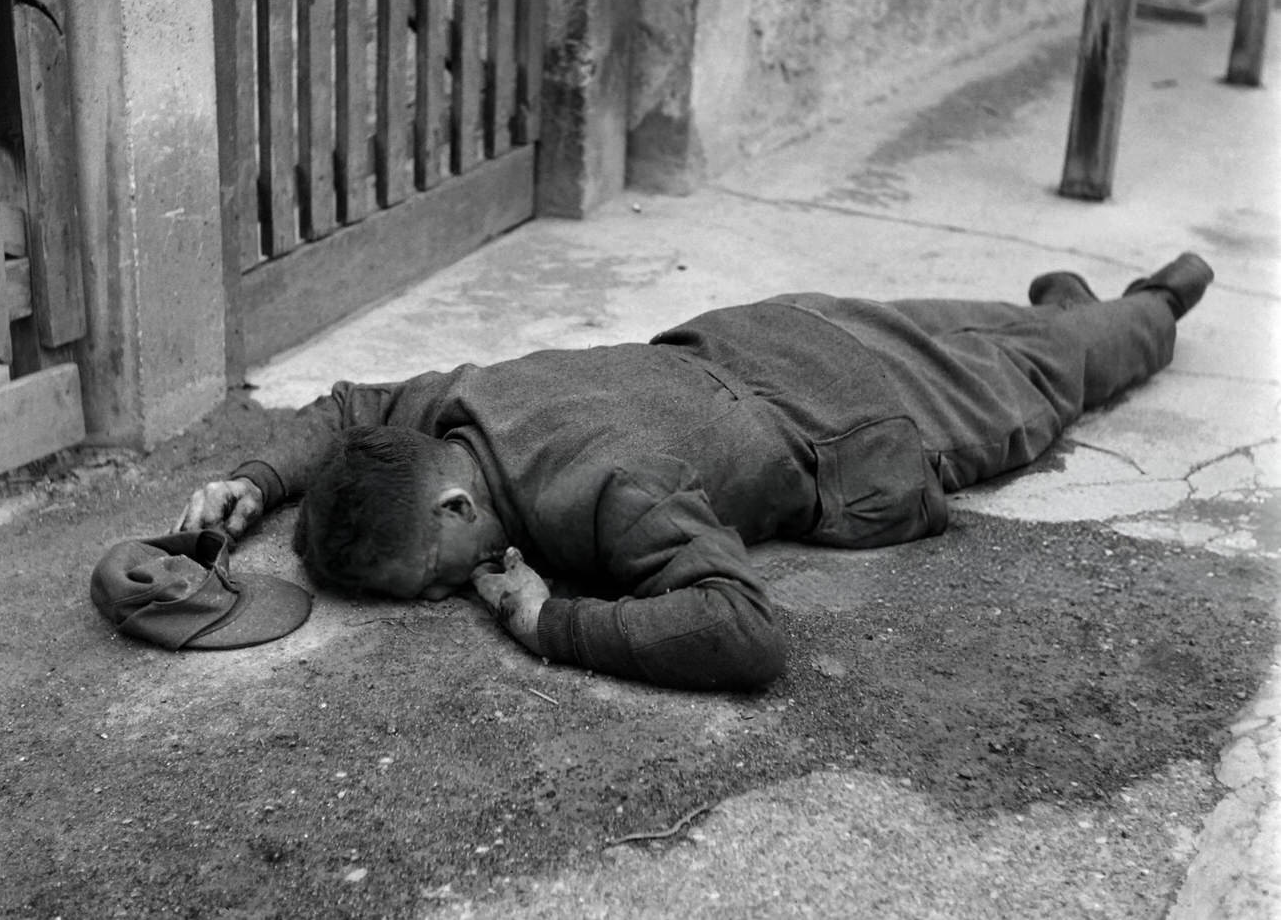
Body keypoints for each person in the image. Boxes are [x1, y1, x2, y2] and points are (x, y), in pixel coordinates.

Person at [174, 253, 1213, 691]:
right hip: (774, 329)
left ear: (453, 502)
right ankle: (1069, 308)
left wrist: (550, 624)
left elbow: (745, 629)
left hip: (865, 410)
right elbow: (353, 411)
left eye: (434, 573)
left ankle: (1152, 308)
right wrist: (260, 476)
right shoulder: (458, 402)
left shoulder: (608, 490)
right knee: (1009, 332)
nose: (453, 590)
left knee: (1058, 374)